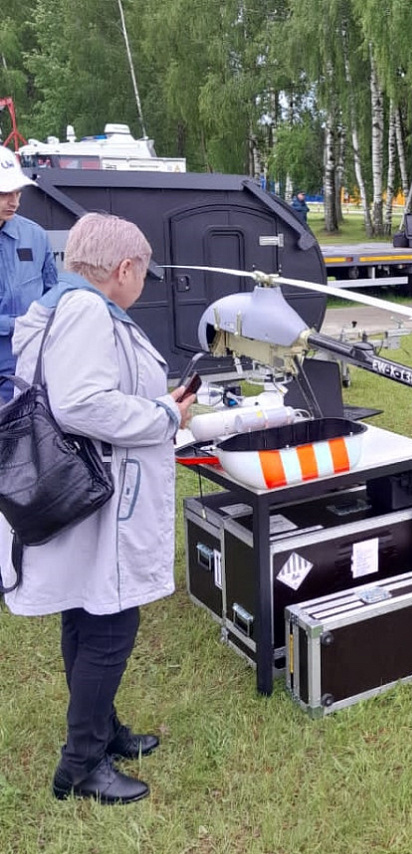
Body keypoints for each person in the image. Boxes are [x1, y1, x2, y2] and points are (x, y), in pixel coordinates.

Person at [0, 213, 196, 805]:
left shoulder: (63, 304)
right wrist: (165, 415)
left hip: (82, 490)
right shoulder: (87, 310)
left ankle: (102, 730)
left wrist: (155, 402)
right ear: (124, 268)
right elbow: (81, 402)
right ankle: (81, 765)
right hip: (100, 494)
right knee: (111, 625)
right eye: (142, 274)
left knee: (86, 613)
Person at [0, 145, 58, 402]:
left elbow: (52, 294)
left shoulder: (35, 235)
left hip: (30, 363)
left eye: (17, 192)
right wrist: (15, 324)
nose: (14, 201)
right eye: (4, 193)